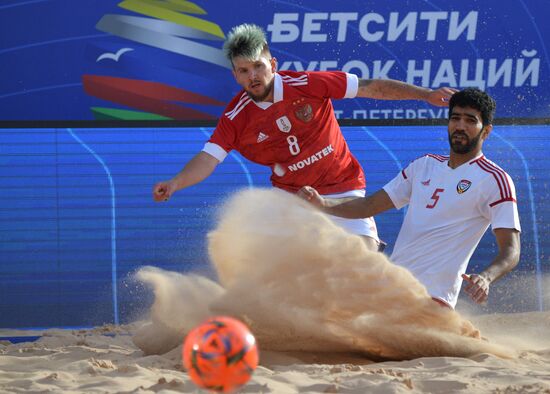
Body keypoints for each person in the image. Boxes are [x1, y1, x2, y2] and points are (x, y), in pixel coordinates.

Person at [153, 23, 456, 251]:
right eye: (244, 71)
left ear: (272, 65)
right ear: (235, 75)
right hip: (293, 199)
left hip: (342, 187)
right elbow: (208, 158)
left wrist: (426, 95)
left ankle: (368, 245)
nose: (253, 76)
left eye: (258, 66)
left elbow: (371, 86)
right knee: (279, 273)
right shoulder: (236, 116)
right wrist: (176, 183)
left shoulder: (308, 84)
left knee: (365, 266)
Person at [298, 88, 521, 308]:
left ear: (486, 131)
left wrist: (485, 278)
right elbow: (367, 206)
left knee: (375, 339)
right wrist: (323, 203)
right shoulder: (424, 165)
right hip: (390, 288)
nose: (460, 126)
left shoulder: (495, 179)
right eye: (455, 118)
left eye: (471, 121)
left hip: (433, 297)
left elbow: (511, 251)